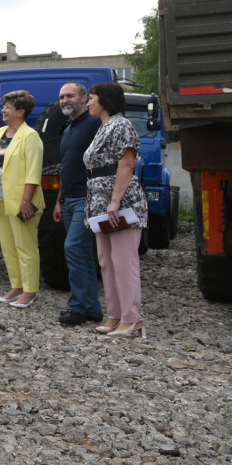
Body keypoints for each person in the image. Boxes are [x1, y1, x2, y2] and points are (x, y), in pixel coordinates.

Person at [83, 82, 149, 338]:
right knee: (107, 262)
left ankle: (132, 318)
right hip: (102, 203)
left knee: (124, 262)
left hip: (121, 203)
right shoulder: (104, 126)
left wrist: (115, 201)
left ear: (105, 100)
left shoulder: (121, 125)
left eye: (92, 98)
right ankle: (115, 315)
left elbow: (127, 164)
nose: (88, 102)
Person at [0, 90, 44, 308]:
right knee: (8, 246)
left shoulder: (30, 136)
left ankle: (30, 291)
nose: (3, 110)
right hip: (0, 199)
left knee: (25, 246)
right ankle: (17, 286)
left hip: (21, 201)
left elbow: (33, 172)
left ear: (21, 111)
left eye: (8, 107)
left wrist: (26, 202)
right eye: (3, 106)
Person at [52, 82, 103, 325]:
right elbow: (67, 166)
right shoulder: (68, 128)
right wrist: (59, 200)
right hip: (69, 199)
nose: (65, 100)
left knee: (73, 247)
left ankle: (77, 307)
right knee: (83, 253)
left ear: (84, 98)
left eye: (70, 95)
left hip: (87, 197)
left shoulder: (94, 123)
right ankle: (92, 308)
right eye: (62, 97)